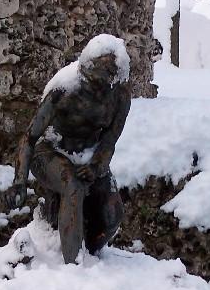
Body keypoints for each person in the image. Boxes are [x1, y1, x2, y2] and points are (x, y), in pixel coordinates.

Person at [11, 34, 131, 264]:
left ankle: (90, 252)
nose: (93, 89)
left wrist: (96, 166)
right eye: (89, 81)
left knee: (112, 214)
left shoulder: (121, 97)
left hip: (88, 155)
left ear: (113, 81)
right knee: (73, 186)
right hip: (49, 150)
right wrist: (20, 181)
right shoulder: (64, 90)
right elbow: (29, 138)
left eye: (100, 84)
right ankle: (74, 266)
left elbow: (109, 140)